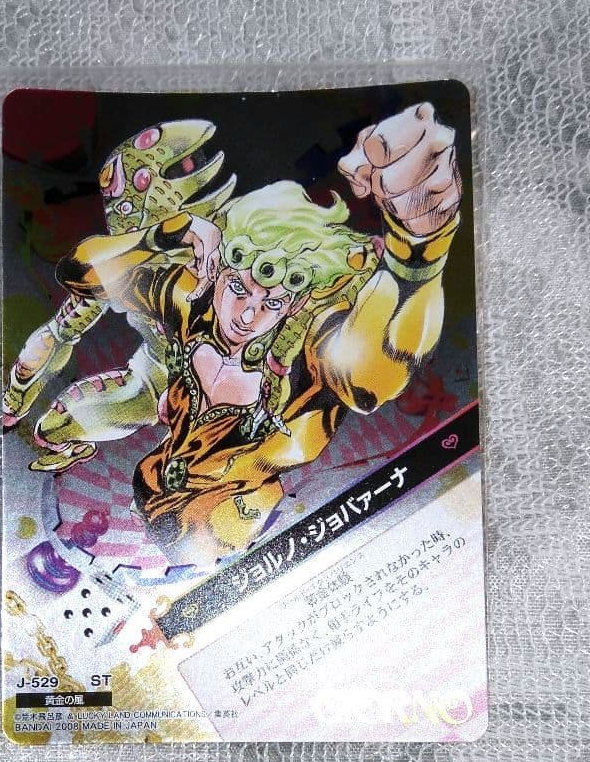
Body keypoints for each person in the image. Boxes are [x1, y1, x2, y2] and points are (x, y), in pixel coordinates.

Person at [38, 101, 462, 562]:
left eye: (274, 300)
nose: (247, 315)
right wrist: (170, 232)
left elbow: (373, 367)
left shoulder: (289, 415)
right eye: (239, 288)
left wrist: (419, 244)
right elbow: (80, 272)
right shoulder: (194, 304)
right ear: (222, 271)